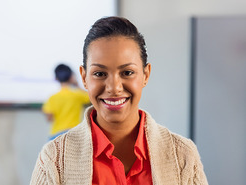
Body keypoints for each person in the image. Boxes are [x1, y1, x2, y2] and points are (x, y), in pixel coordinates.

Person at [30, 17, 208, 184]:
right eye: (100, 74)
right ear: (84, 78)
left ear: (145, 75)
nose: (114, 88)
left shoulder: (183, 154)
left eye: (127, 73)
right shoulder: (53, 159)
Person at [42, 64, 90, 140]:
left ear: (56, 78)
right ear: (71, 77)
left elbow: (49, 117)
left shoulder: (52, 97)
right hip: (73, 133)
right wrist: (77, 85)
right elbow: (91, 97)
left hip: (56, 135)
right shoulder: (77, 95)